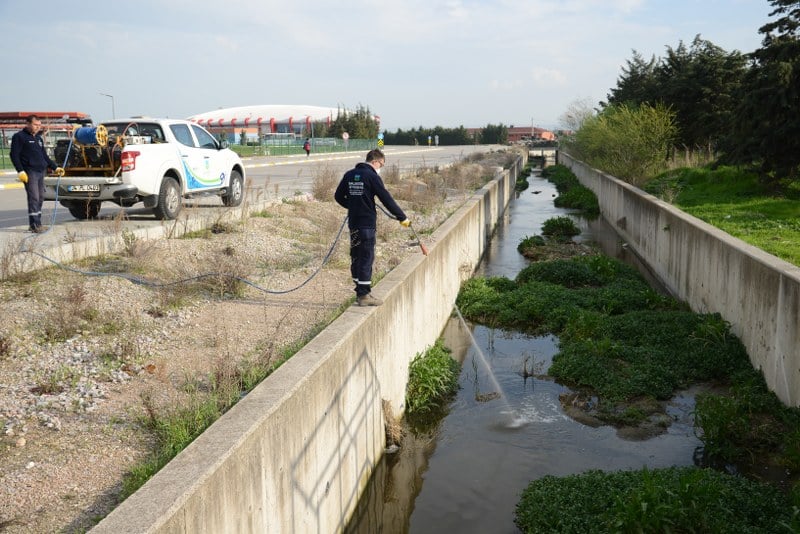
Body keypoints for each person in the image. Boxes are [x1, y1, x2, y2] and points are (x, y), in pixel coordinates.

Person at [335, 149, 410, 306]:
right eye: (381, 164)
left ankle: (359, 289)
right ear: (375, 161)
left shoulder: (349, 174)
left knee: (356, 255)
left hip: (354, 224)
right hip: (366, 225)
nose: (380, 167)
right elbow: (386, 199)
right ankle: (364, 296)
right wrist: (402, 217)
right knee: (366, 257)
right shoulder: (372, 176)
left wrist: (353, 206)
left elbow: (338, 196)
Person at [10, 115, 63, 233]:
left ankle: (36, 223)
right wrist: (20, 171)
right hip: (30, 171)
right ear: (28, 124)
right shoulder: (19, 137)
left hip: (41, 171)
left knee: (40, 197)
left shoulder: (38, 139)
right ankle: (35, 225)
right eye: (35, 125)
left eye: (39, 125)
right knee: (33, 197)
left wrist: (55, 167)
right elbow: (14, 155)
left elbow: (44, 156)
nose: (38, 127)